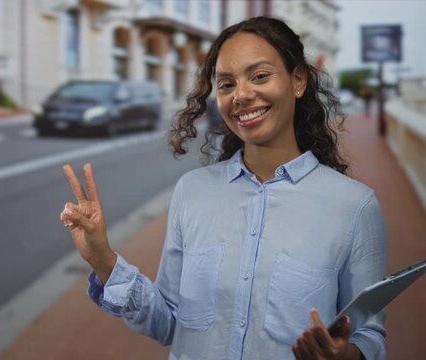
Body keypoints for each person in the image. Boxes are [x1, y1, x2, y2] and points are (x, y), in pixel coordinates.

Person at [60, 17, 387, 360]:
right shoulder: (192, 191)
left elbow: (370, 336)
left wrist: (346, 354)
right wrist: (103, 261)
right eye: (227, 85)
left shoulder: (355, 207)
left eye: (260, 76)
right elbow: (169, 323)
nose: (242, 95)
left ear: (298, 81)